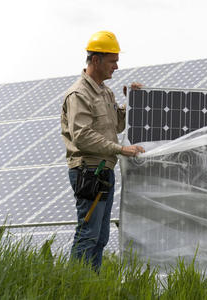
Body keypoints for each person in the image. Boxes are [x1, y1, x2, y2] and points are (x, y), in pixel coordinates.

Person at [61, 30, 144, 272]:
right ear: (95, 60)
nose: (117, 66)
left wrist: (133, 102)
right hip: (89, 171)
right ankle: (76, 286)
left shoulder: (104, 91)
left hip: (103, 171)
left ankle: (91, 285)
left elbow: (116, 125)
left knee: (100, 236)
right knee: (88, 234)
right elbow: (83, 136)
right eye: (112, 61)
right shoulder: (79, 94)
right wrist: (120, 149)